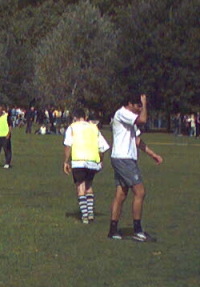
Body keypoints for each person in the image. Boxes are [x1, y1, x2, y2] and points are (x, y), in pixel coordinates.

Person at [108, 93, 163, 241]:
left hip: (124, 158)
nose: (140, 109)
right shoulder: (123, 113)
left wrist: (153, 154)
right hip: (124, 159)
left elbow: (137, 141)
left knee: (121, 195)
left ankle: (113, 230)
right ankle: (138, 231)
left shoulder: (129, 119)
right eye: (137, 106)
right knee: (140, 192)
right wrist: (145, 103)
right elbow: (143, 120)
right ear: (130, 104)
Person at [63, 106, 111, 224]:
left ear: (74, 117)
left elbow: (68, 145)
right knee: (89, 186)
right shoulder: (94, 128)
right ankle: (90, 213)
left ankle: (84, 215)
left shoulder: (72, 128)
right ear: (85, 117)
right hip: (92, 161)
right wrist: (100, 160)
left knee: (80, 186)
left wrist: (65, 161)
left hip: (79, 160)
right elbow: (102, 147)